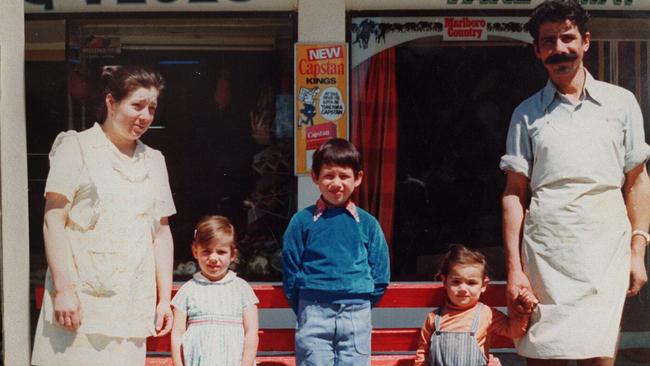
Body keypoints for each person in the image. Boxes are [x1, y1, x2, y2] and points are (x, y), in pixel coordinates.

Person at [500, 1, 650, 364]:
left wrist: (637, 251)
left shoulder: (621, 103)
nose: (559, 49)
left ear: (586, 41)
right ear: (537, 50)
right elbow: (514, 195)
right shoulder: (526, 114)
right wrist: (514, 270)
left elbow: (637, 180)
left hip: (604, 251)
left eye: (567, 38)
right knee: (542, 354)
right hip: (546, 253)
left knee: (598, 355)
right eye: (548, 41)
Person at [32, 65, 176, 365]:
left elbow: (161, 232)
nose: (145, 116)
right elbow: (53, 219)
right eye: (137, 105)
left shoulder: (154, 160)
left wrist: (164, 299)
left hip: (132, 306)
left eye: (152, 108)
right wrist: (63, 290)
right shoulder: (77, 147)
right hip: (80, 306)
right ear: (111, 102)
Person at [282, 138, 390, 366]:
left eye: (344, 176)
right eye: (329, 176)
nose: (336, 183)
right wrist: (306, 305)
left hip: (356, 313)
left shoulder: (367, 223)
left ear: (358, 178)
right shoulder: (302, 221)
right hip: (313, 310)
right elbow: (291, 271)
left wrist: (360, 301)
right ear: (315, 177)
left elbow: (381, 274)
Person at [414, 244, 537, 366]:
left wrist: (524, 312)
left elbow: (514, 331)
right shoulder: (434, 318)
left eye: (471, 283)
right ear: (445, 281)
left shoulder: (486, 314)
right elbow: (423, 353)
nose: (463, 288)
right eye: (456, 282)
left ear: (483, 285)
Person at [170, 215, 259, 366]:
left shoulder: (242, 289)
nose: (213, 258)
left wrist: (247, 364)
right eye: (206, 251)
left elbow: (251, 332)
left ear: (233, 255)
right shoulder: (188, 290)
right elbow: (177, 333)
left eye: (221, 252)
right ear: (195, 251)